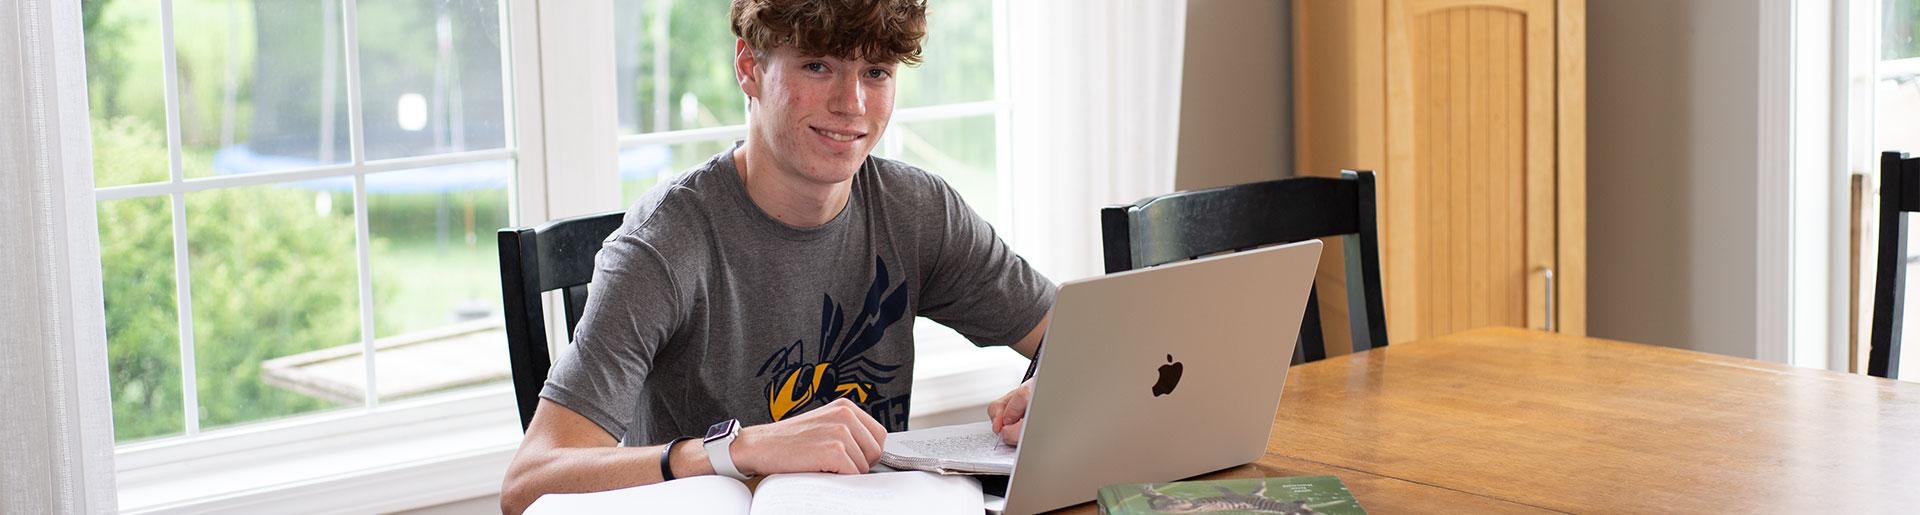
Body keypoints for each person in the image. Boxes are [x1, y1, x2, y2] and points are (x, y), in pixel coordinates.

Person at [500, 1, 1050, 513]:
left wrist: (1055, 385)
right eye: (817, 66)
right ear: (748, 68)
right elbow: (529, 483)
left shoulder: (919, 210)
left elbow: (1080, 336)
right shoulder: (662, 242)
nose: (851, 104)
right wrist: (734, 452)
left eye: (876, 72)